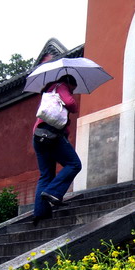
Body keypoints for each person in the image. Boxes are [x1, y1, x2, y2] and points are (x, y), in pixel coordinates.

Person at [32, 74, 82, 225]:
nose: (72, 92)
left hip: (38, 135)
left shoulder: (48, 91)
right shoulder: (61, 86)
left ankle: (40, 213)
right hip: (52, 134)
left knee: (45, 175)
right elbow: (70, 103)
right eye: (73, 89)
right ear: (69, 83)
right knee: (74, 164)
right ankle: (53, 192)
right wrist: (71, 99)